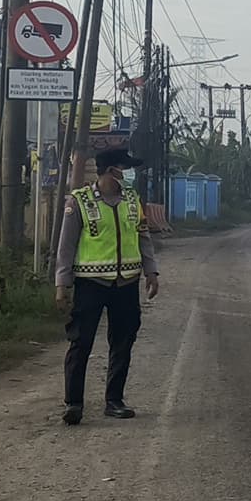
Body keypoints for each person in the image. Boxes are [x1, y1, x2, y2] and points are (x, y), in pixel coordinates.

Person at [53, 148, 159, 424]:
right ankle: (73, 403)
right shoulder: (79, 201)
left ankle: (114, 400)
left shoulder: (133, 200)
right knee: (81, 342)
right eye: (125, 168)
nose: (129, 174)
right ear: (112, 170)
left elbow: (143, 236)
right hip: (91, 283)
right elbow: (66, 246)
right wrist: (62, 284)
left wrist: (151, 271)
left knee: (123, 341)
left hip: (127, 283)